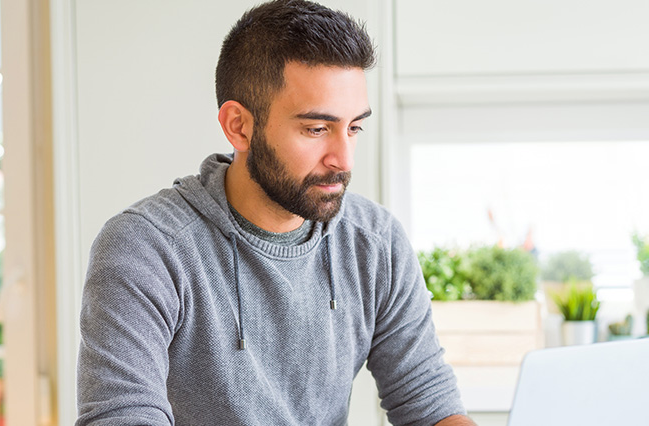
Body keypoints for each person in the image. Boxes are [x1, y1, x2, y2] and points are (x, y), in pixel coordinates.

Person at [76, 1, 474, 425]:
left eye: (353, 128)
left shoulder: (375, 242)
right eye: (316, 129)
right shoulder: (147, 249)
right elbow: (122, 416)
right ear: (239, 126)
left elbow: (428, 402)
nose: (342, 158)